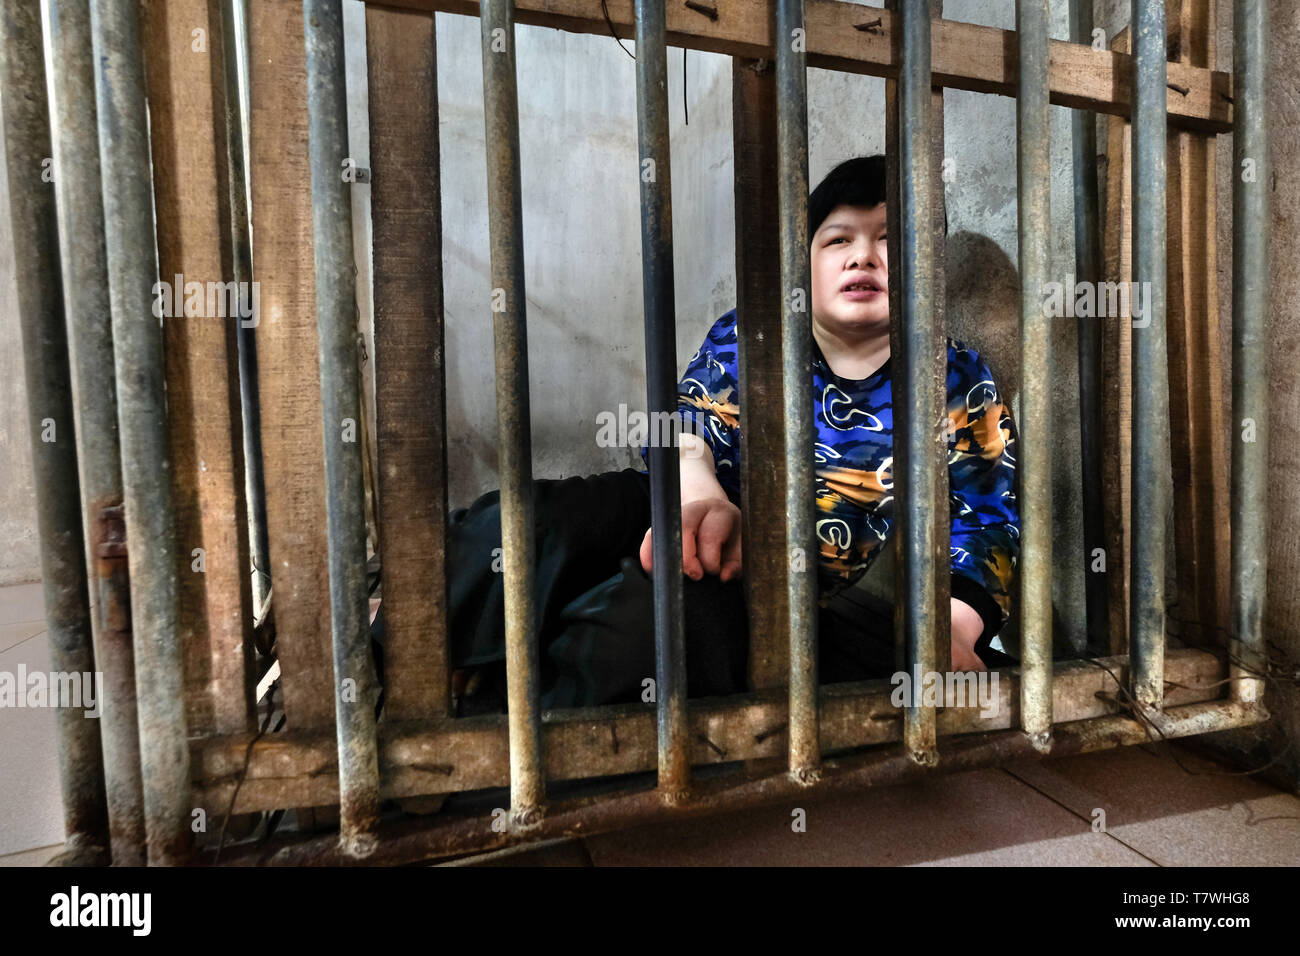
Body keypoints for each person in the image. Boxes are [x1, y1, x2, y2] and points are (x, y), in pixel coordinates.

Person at [372, 154, 1020, 716]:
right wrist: (703, 495)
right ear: (807, 264)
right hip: (681, 501)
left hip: (774, 571)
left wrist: (954, 629)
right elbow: (690, 427)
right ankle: (395, 657)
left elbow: (985, 520)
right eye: (838, 239)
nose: (863, 255)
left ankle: (502, 743)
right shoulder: (753, 332)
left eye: (890, 239)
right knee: (537, 521)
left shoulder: (955, 377)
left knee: (647, 633)